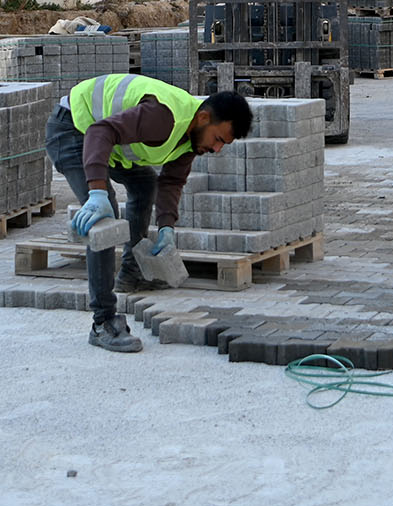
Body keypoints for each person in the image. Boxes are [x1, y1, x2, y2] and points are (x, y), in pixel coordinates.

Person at [46, 74, 253, 353]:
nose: (216, 149)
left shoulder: (190, 140)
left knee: (144, 185)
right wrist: (96, 192)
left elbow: (170, 182)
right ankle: (103, 321)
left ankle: (131, 273)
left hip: (109, 141)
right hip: (73, 128)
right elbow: (99, 132)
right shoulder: (164, 118)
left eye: (223, 145)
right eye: (218, 139)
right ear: (204, 118)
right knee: (104, 220)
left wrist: (167, 227)